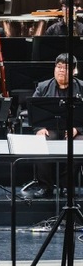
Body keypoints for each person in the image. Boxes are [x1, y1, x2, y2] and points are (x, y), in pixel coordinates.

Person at [31, 53, 83, 198]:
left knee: (78, 146)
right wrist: (39, 128)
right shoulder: (43, 87)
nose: (61, 70)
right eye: (59, 67)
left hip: (75, 129)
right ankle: (45, 186)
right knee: (41, 143)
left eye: (66, 68)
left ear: (74, 71)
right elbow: (33, 110)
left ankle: (67, 186)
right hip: (50, 128)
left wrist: (77, 129)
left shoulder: (81, 87)